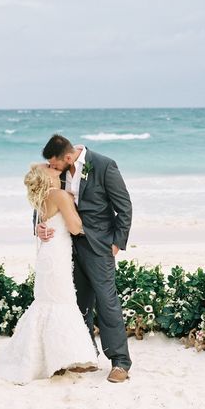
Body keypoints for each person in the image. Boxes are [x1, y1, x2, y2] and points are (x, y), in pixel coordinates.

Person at [38, 134, 132, 383]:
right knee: (79, 301)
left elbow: (124, 206)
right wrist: (39, 224)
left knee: (106, 300)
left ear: (68, 157)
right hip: (67, 245)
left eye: (55, 163)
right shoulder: (57, 170)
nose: (52, 168)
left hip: (98, 245)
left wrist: (116, 243)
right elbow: (42, 197)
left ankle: (120, 362)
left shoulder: (103, 165)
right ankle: (87, 355)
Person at [0, 163, 98, 385]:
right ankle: (62, 359)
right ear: (47, 177)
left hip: (47, 254)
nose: (54, 166)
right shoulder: (61, 195)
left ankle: (50, 357)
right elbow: (74, 227)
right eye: (49, 167)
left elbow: (43, 221)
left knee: (48, 302)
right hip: (58, 256)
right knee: (62, 302)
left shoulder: (41, 197)